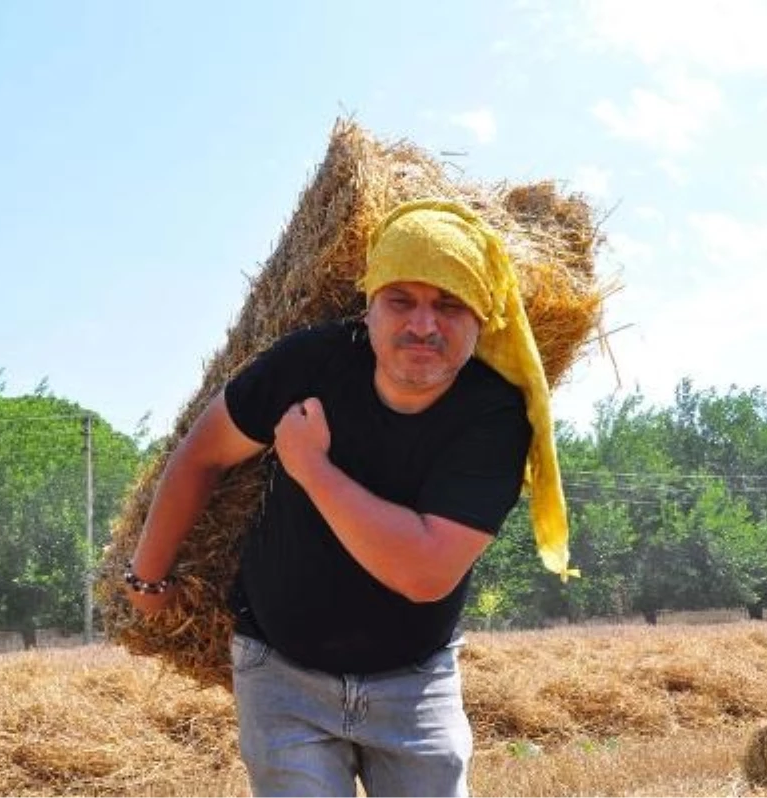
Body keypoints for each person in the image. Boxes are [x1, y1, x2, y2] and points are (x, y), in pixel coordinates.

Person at [124, 199, 574, 797]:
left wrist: (311, 466)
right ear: (370, 305)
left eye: (448, 304)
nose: (423, 325)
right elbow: (199, 456)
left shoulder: (494, 418)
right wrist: (147, 582)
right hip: (282, 675)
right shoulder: (307, 366)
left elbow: (424, 570)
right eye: (401, 301)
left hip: (415, 682)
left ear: (483, 317)